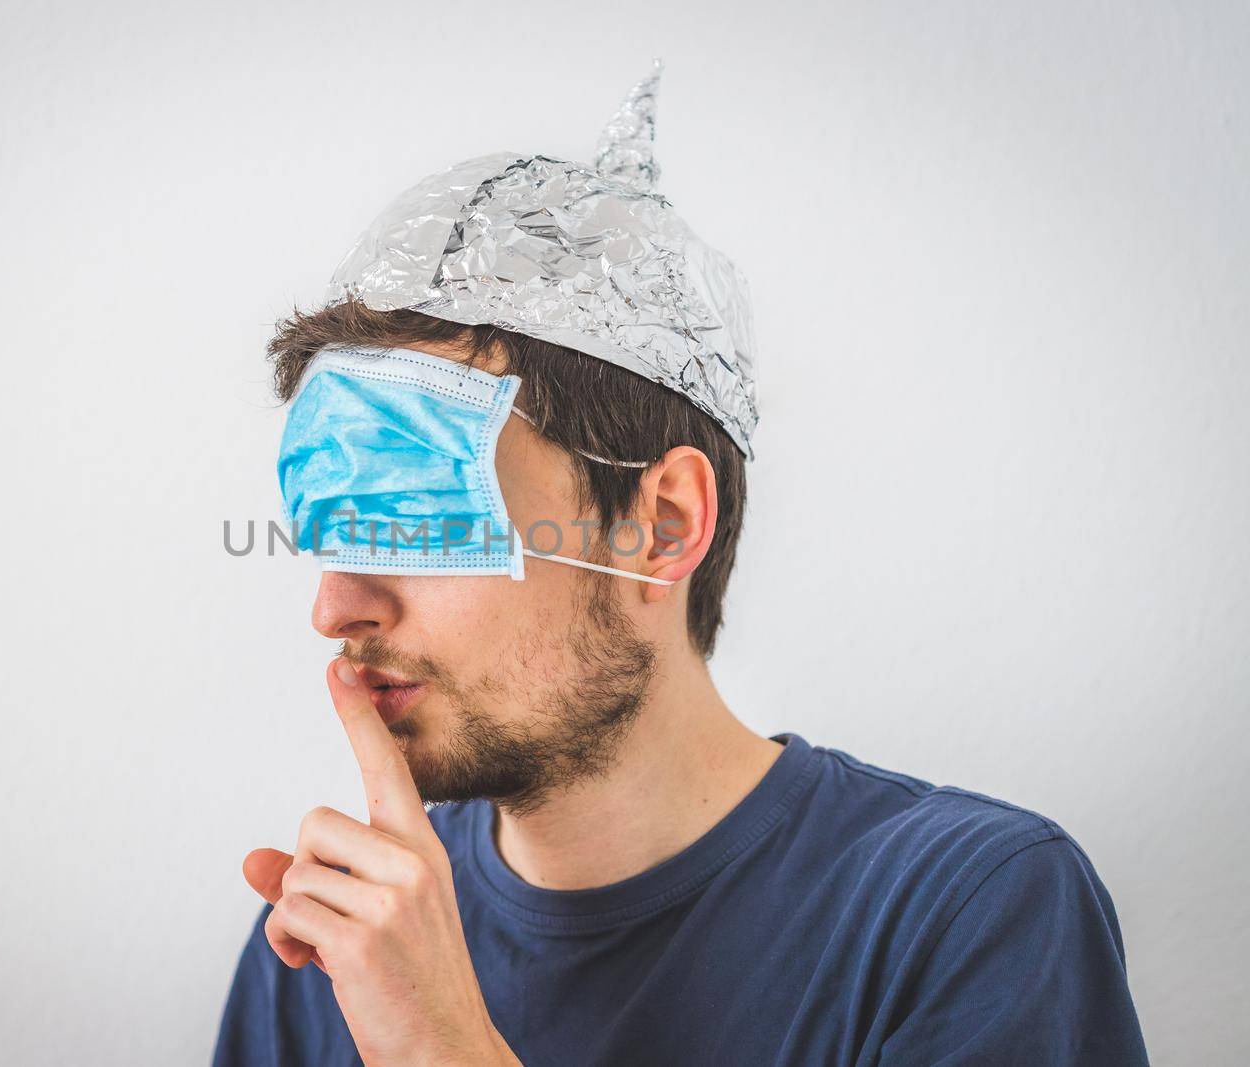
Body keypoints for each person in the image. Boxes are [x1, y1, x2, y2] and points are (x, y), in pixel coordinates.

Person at [212, 60, 1147, 1066]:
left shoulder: (966, 913)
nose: (335, 605)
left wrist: (443, 1047)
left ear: (659, 524)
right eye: (334, 527)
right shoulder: (326, 951)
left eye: (420, 514)